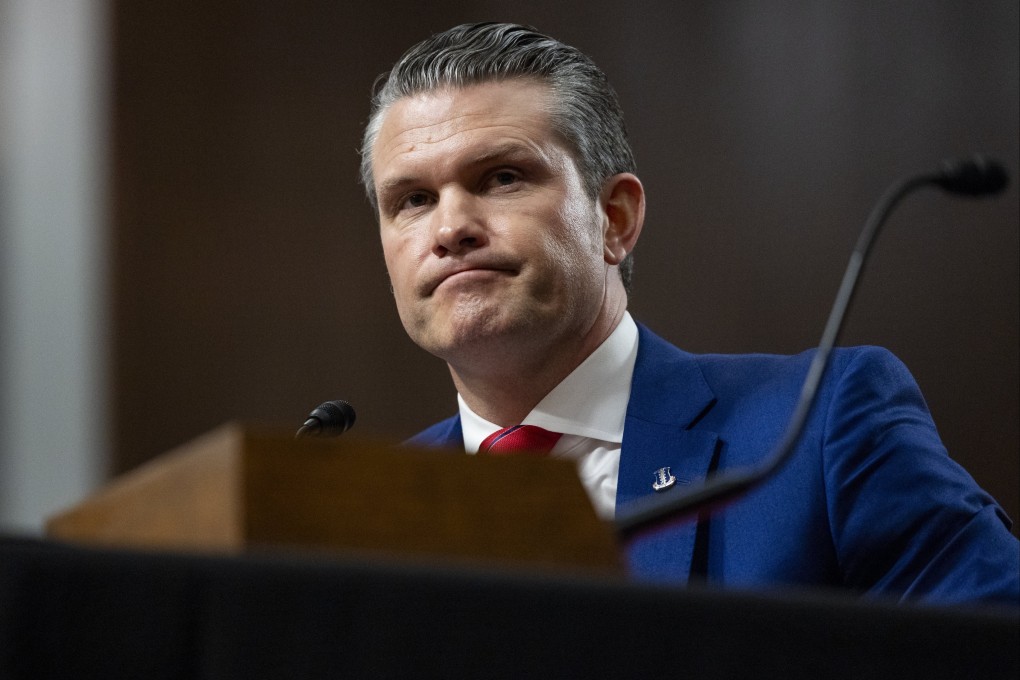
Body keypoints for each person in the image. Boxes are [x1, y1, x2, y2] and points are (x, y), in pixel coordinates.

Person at [360, 22, 1019, 605]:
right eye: (413, 199)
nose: (450, 227)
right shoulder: (365, 511)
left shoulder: (819, 429)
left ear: (614, 218)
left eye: (502, 177)